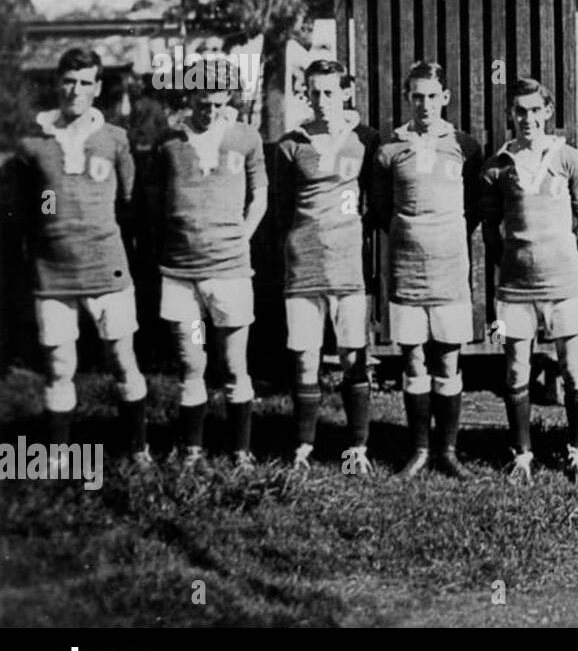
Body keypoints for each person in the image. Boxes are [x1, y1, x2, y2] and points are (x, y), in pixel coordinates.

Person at [17, 48, 150, 468]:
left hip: (106, 266)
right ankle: (59, 454)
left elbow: (129, 202)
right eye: (68, 81)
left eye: (85, 82)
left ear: (97, 88)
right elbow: (26, 204)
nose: (75, 90)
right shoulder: (33, 140)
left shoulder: (114, 138)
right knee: (59, 363)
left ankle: (138, 447)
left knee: (121, 358)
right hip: (52, 271)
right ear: (58, 82)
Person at [372, 61, 482, 479]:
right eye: (417, 96)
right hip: (405, 268)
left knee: (449, 359)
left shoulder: (465, 146)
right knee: (414, 359)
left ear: (445, 98)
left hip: (450, 267)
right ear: (407, 98)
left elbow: (474, 208)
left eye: (432, 96)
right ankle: (418, 451)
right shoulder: (389, 148)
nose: (425, 104)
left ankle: (448, 452)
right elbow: (381, 209)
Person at [156, 57, 267, 469]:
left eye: (218, 103)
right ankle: (192, 450)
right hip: (182, 273)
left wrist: (243, 234)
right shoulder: (169, 143)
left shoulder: (245, 137)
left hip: (231, 270)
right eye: (203, 103)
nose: (210, 111)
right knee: (193, 362)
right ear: (189, 98)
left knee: (235, 363)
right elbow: (155, 201)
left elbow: (261, 195)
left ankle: (241, 452)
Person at [482, 78, 578, 484]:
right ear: (510, 114)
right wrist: (513, 259)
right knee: (515, 370)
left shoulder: (568, 158)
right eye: (519, 111)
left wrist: (560, 251)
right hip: (515, 287)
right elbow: (490, 228)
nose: (527, 119)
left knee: (572, 369)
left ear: (547, 112)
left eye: (534, 110)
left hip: (563, 283)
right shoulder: (497, 165)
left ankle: (577, 453)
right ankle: (522, 455)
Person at [275, 60, 380, 473]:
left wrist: (351, 231)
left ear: (346, 92)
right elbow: (282, 211)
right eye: (314, 93)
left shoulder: (366, 141)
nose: (321, 101)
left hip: (348, 267)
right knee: (305, 358)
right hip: (303, 266)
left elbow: (377, 203)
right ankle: (304, 445)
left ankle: (357, 447)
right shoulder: (291, 143)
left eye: (330, 92)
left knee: (353, 354)